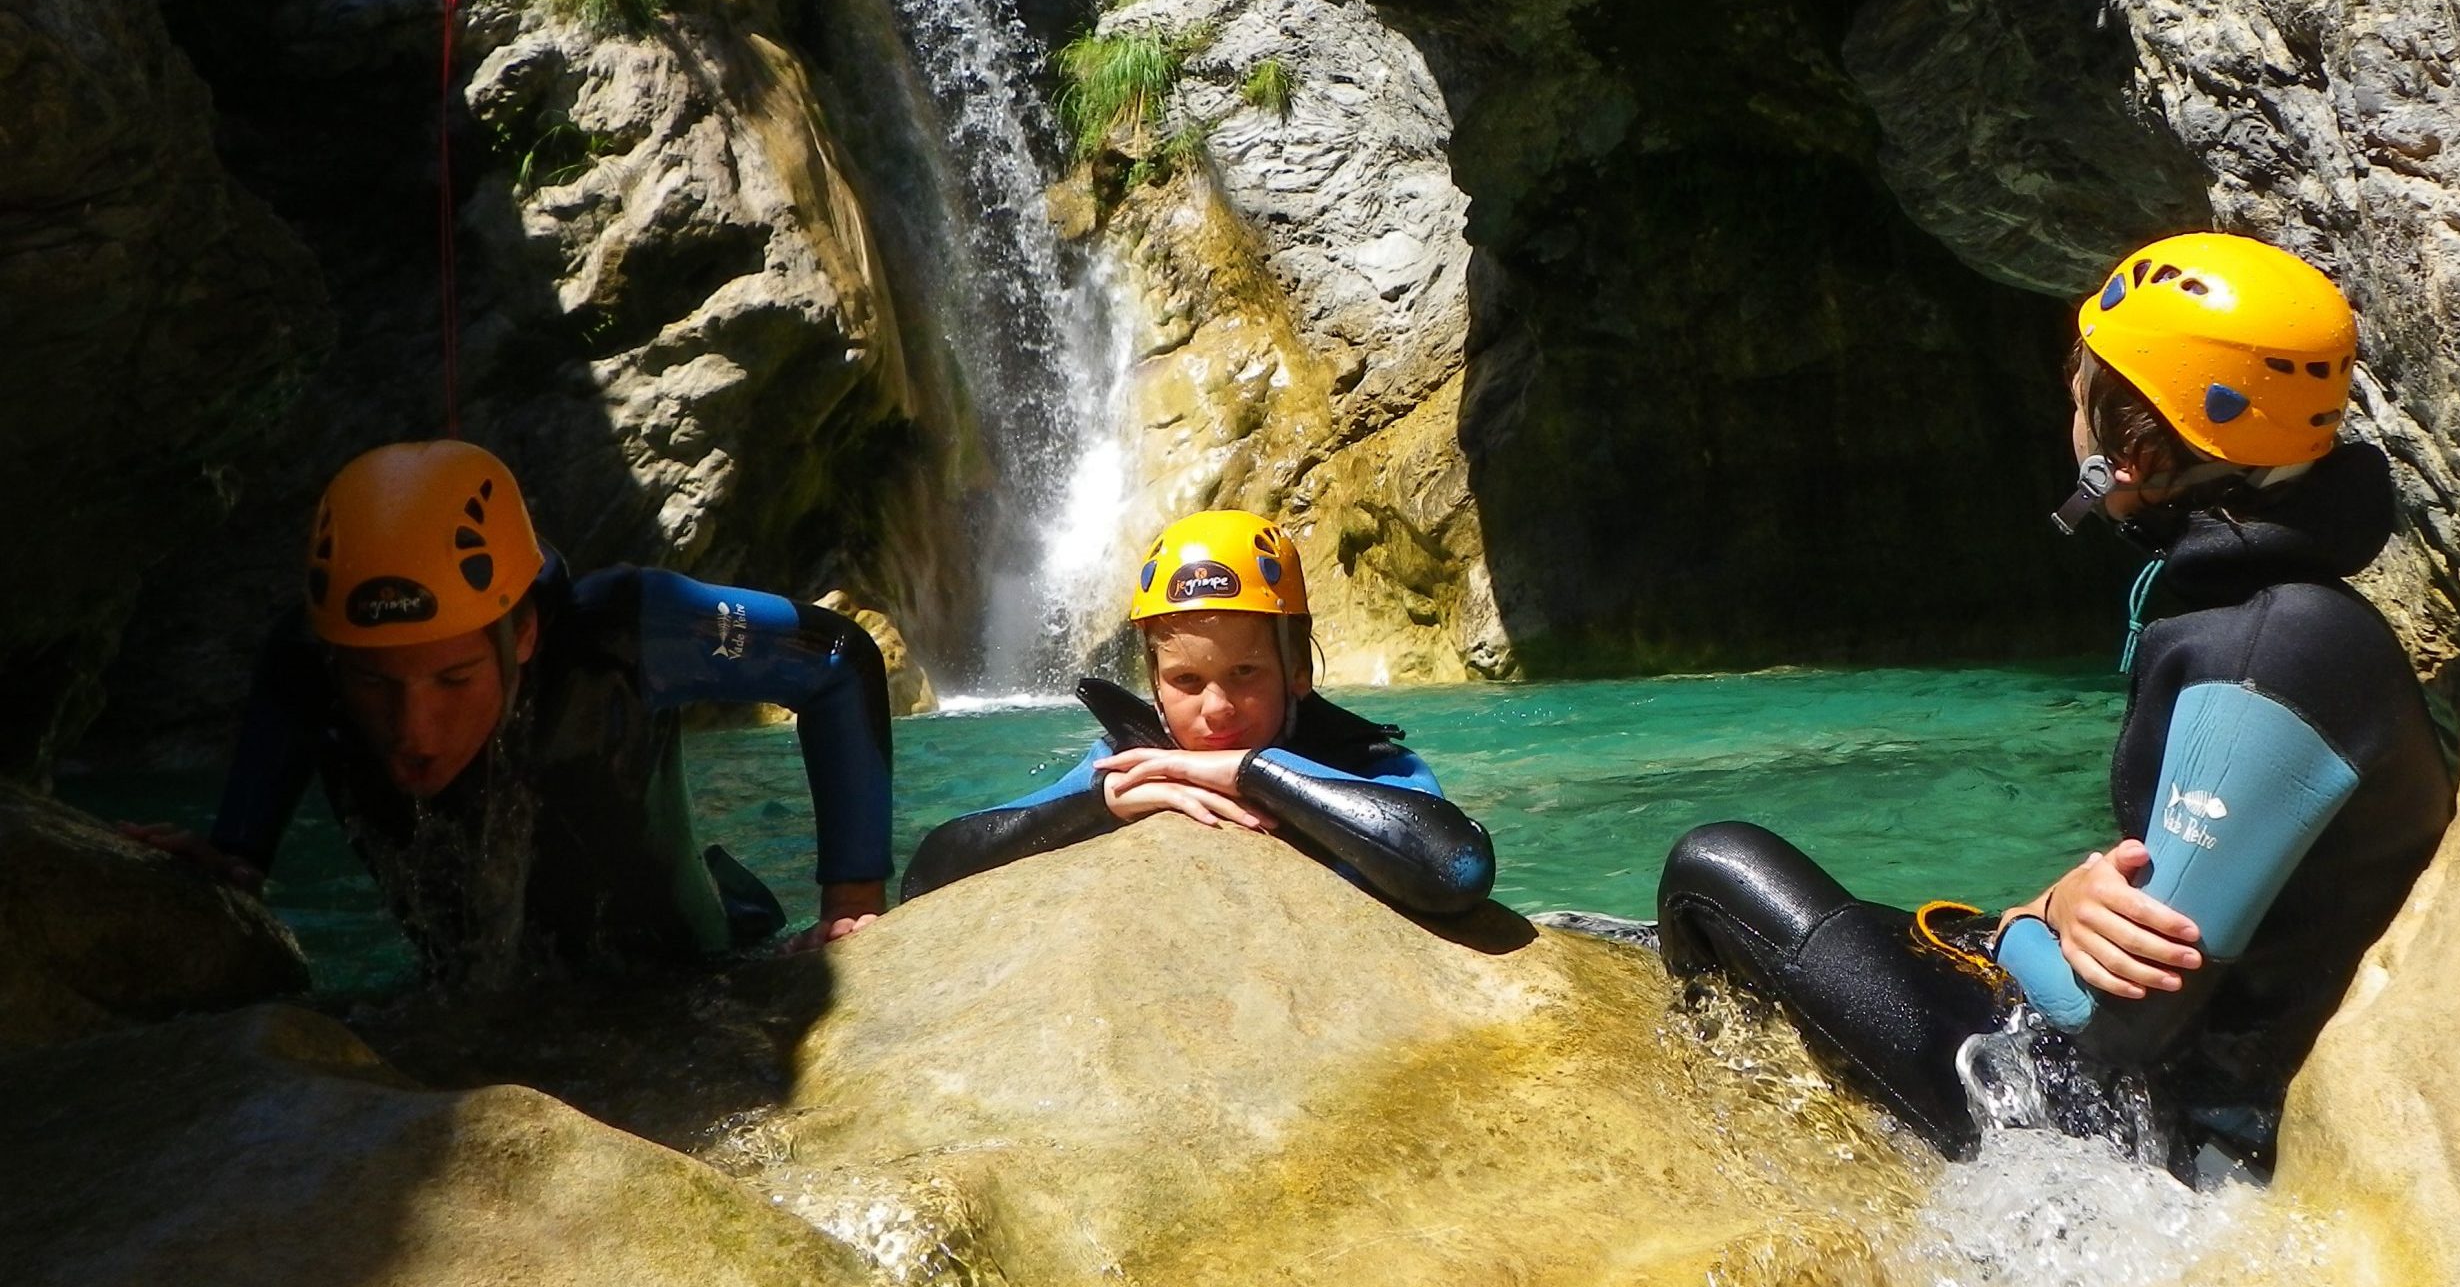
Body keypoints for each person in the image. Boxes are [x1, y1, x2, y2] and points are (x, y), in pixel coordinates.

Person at [1653, 232, 2453, 1175]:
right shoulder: (2288, 619)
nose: (2069, 406)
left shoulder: (2265, 657)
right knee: (1889, 928)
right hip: (2173, 1085)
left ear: (2134, 450)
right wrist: (2051, 911)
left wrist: (2029, 919)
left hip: (2145, 1126)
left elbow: (2120, 1018)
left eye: (2081, 389)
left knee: (1715, 867)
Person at [125, 441, 894, 985]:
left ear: (523, 633)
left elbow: (834, 657)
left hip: (699, 975)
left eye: (454, 678)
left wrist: (852, 900)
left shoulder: (624, 632)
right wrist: (230, 861)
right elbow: (237, 865)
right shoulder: (302, 667)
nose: (413, 731)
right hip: (484, 1016)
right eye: (373, 683)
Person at [901, 510, 1495, 915]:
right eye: (1186, 680)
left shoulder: (1366, 763)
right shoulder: (1132, 766)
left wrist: (1250, 771)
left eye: (1245, 673)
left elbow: (1459, 868)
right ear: (1155, 684)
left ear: (1298, 669)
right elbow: (925, 876)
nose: (1217, 709)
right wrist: (1096, 804)